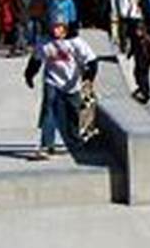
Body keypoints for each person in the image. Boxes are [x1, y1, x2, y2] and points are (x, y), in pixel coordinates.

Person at [23, 17, 98, 159]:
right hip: (52, 81)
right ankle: (47, 144)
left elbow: (92, 60)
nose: (55, 31)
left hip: (72, 83)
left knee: (73, 112)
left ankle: (75, 140)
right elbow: (35, 60)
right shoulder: (44, 42)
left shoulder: (75, 43)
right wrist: (29, 75)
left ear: (65, 28)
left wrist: (89, 78)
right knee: (48, 109)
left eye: (59, 27)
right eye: (53, 27)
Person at [129, 26, 150, 104]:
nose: (137, 33)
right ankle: (141, 87)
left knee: (143, 77)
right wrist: (129, 54)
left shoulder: (148, 40)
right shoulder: (136, 39)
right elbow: (133, 47)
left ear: (143, 31)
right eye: (137, 31)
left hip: (145, 61)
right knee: (136, 74)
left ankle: (146, 93)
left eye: (139, 31)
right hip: (138, 60)